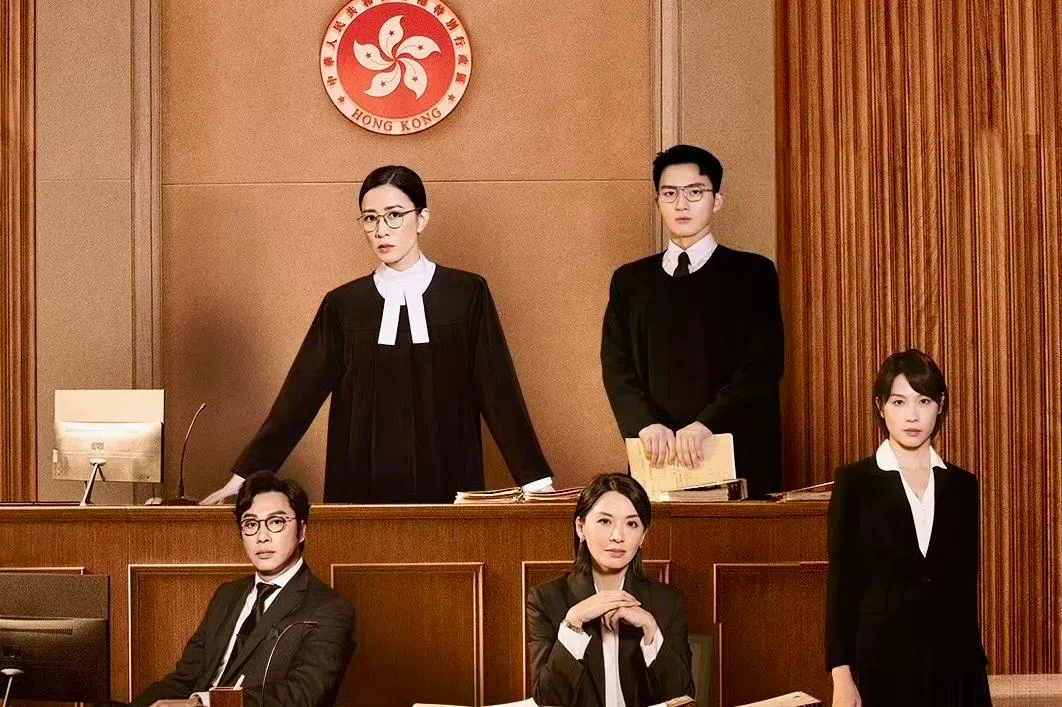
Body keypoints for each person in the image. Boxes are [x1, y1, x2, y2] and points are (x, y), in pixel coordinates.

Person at [202, 165, 553, 504]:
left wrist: (536, 481)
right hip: (360, 487)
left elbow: (498, 390)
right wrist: (243, 477)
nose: (382, 230)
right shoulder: (344, 305)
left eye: (394, 215)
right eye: (370, 218)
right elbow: (297, 400)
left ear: (422, 219)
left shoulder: (466, 294)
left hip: (449, 482)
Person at [600, 144, 783, 498]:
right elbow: (616, 365)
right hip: (657, 457)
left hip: (736, 454)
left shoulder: (753, 273)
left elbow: (763, 365)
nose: (681, 204)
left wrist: (706, 425)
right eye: (670, 193)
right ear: (658, 201)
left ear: (716, 200)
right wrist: (644, 425)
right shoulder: (630, 281)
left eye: (695, 192)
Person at [826, 350, 990, 706]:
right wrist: (841, 676)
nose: (912, 415)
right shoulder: (854, 482)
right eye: (899, 402)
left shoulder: (963, 486)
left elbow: (964, 591)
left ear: (940, 405)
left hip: (954, 668)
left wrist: (974, 681)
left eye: (924, 400)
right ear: (881, 406)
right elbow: (842, 584)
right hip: (881, 666)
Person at [132, 471, 355, 706]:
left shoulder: (330, 609)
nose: (262, 537)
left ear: (301, 531)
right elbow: (184, 680)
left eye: (276, 522)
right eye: (250, 524)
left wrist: (203, 704)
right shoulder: (227, 595)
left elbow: (302, 694)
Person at [526, 473, 695, 707]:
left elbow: (683, 698)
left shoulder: (667, 601)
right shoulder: (546, 599)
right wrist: (573, 623)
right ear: (581, 527)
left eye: (631, 524)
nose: (618, 537)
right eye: (605, 521)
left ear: (643, 535)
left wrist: (651, 630)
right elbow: (547, 700)